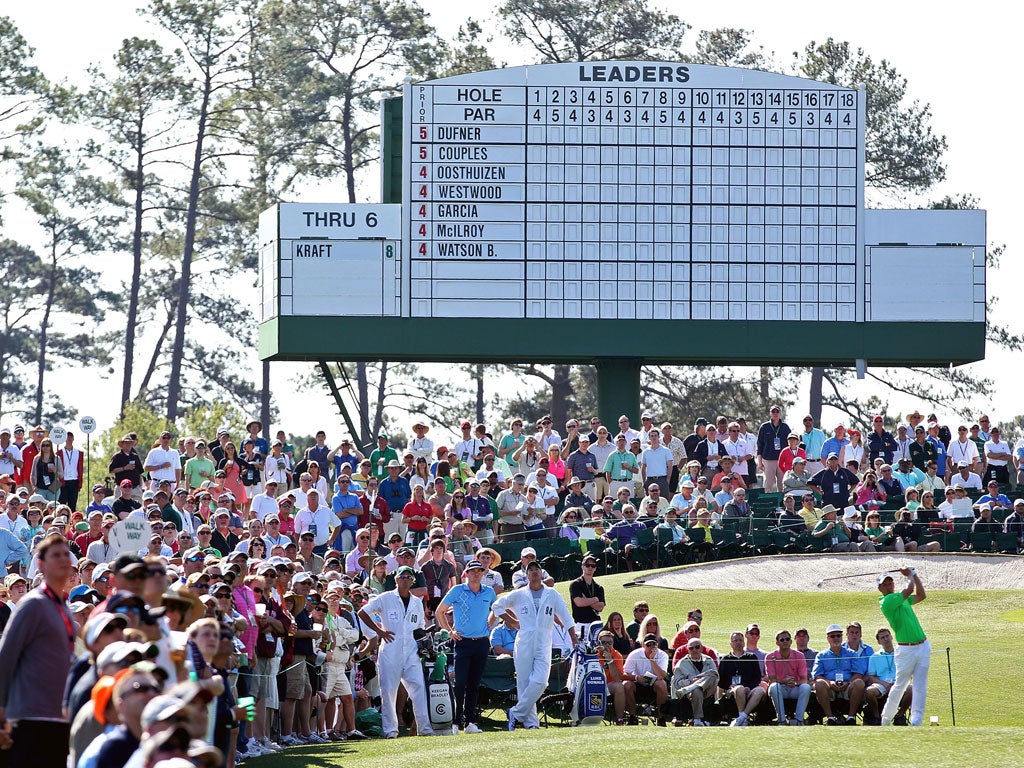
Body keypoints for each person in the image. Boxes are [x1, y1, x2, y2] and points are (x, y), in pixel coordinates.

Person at [0, 532, 76, 766]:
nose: (64, 560)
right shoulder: (32, 604)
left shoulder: (63, 607)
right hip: (30, 717)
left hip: (57, 715)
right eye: (56, 555)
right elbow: (6, 657)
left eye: (66, 554)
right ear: (40, 565)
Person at [492, 559, 578, 730]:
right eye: (530, 570)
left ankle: (515, 712)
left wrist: (573, 638)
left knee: (541, 682)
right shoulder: (519, 594)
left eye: (536, 569)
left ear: (541, 573)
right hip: (523, 642)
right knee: (524, 683)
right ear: (526, 575)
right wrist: (513, 621)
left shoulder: (552, 594)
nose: (533, 572)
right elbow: (497, 606)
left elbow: (566, 616)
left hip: (544, 643)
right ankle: (531, 723)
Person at [357, 565, 434, 738]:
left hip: (412, 650)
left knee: (419, 688)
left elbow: (420, 626)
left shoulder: (417, 602)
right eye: (402, 576)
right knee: (388, 691)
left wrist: (424, 642)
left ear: (413, 580)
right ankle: (390, 730)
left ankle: (425, 728)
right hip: (391, 650)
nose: (405, 579)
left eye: (409, 576)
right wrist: (380, 632)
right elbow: (363, 612)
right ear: (396, 579)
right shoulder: (385, 598)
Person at [436, 559, 496, 734]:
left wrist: (489, 623)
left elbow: (496, 608)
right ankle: (456, 722)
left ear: (483, 573)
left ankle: (470, 722)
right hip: (463, 642)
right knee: (460, 683)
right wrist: (449, 631)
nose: (476, 573)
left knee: (474, 684)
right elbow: (440, 611)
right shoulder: (457, 590)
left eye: (479, 571)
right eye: (472, 571)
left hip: (482, 642)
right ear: (466, 574)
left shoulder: (489, 592)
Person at [877, 567, 930, 726]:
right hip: (906, 650)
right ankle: (886, 719)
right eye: (884, 584)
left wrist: (915, 575)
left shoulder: (901, 599)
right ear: (879, 588)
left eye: (890, 582)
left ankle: (916, 721)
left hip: (923, 645)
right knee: (900, 685)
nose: (888, 585)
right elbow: (909, 589)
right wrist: (909, 575)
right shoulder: (887, 601)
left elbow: (921, 595)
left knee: (920, 686)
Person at [812, 623, 864, 725]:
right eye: (832, 636)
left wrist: (848, 683)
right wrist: (830, 682)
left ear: (842, 637)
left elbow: (858, 673)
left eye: (838, 635)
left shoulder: (852, 653)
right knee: (819, 683)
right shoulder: (821, 655)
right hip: (829, 688)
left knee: (859, 683)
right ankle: (830, 718)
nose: (836, 638)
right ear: (828, 638)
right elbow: (817, 676)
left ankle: (851, 717)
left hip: (848, 686)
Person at [863, 625, 911, 725]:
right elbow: (871, 677)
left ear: (891, 637)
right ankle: (877, 717)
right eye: (882, 638)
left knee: (911, 689)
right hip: (881, 684)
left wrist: (896, 684)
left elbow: (908, 673)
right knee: (869, 692)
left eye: (887, 636)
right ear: (879, 641)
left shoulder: (902, 654)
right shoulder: (874, 657)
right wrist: (885, 684)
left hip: (898, 683)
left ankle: (900, 716)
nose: (886, 639)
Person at [717, 630, 765, 726]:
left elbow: (757, 678)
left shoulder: (752, 657)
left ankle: (741, 718)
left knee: (760, 690)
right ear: (731, 644)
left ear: (744, 642)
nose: (738, 642)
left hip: (749, 690)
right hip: (731, 691)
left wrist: (750, 687)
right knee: (739, 688)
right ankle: (742, 718)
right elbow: (720, 680)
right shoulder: (725, 659)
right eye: (735, 640)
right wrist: (729, 686)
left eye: (740, 640)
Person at [765, 628, 811, 725]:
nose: (785, 641)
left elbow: (804, 679)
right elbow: (772, 680)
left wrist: (794, 683)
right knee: (774, 687)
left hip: (795, 687)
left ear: (791, 641)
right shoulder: (770, 657)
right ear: (777, 642)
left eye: (787, 639)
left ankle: (799, 720)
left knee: (806, 687)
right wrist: (783, 681)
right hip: (780, 688)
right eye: (782, 640)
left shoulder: (800, 656)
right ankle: (781, 720)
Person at [670, 637, 719, 727]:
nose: (694, 650)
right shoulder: (682, 663)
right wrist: (690, 682)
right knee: (697, 690)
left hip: (708, 690)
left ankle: (695, 686)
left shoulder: (709, 660)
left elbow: (716, 677)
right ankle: (697, 719)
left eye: (697, 647)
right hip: (690, 693)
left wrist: (698, 681)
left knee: (712, 674)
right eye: (691, 648)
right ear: (688, 650)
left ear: (701, 648)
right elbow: (676, 682)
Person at [568, 553, 605, 629]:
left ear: (595, 568)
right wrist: (595, 599)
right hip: (581, 624)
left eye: (593, 566)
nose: (590, 567)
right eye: (587, 565)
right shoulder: (575, 584)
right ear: (582, 567)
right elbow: (579, 602)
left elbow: (600, 607)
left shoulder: (599, 587)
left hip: (596, 624)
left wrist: (586, 600)